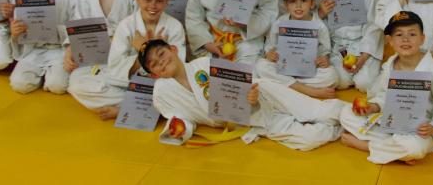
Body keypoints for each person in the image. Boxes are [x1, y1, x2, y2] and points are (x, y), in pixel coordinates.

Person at [141, 39, 345, 151]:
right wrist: (179, 130)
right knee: (309, 140)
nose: (161, 62)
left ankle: (352, 116)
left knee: (315, 109)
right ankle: (340, 131)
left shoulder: (203, 64)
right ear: (153, 74)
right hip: (248, 120)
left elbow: (236, 84)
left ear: (173, 49)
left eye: (162, 54)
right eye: (154, 64)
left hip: (262, 92)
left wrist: (249, 98)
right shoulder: (162, 93)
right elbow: (182, 119)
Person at [339, 11, 433, 164]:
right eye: (399, 35)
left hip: (420, 130)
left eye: (412, 34)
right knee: (346, 113)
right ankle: (395, 149)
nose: (405, 39)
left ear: (422, 39)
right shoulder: (391, 64)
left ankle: (367, 145)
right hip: (393, 121)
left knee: (414, 147)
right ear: (390, 40)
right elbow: (384, 96)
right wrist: (374, 107)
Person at [70, 0, 187, 119]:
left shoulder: (174, 27)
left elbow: (177, 69)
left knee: (176, 91)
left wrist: (145, 47)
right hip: (126, 81)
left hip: (161, 84)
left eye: (159, 1)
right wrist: (144, 54)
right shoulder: (126, 25)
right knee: (77, 82)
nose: (152, 5)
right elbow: (115, 67)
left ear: (167, 2)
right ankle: (141, 104)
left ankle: (129, 107)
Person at [9, 0, 79, 95]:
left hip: (61, 50)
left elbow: (78, 31)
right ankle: (42, 74)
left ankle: (50, 76)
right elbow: (20, 38)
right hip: (34, 50)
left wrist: (56, 29)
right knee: (19, 85)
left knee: (57, 87)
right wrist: (15, 34)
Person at [256, 0, 339, 98]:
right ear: (286, 4)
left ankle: (286, 85)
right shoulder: (280, 23)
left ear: (312, 3)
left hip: (308, 70)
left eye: (304, 1)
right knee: (261, 66)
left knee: (332, 76)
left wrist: (324, 59)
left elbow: (325, 50)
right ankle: (308, 90)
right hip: (284, 67)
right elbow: (270, 46)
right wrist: (270, 54)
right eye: (292, 1)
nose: (298, 6)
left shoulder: (319, 25)